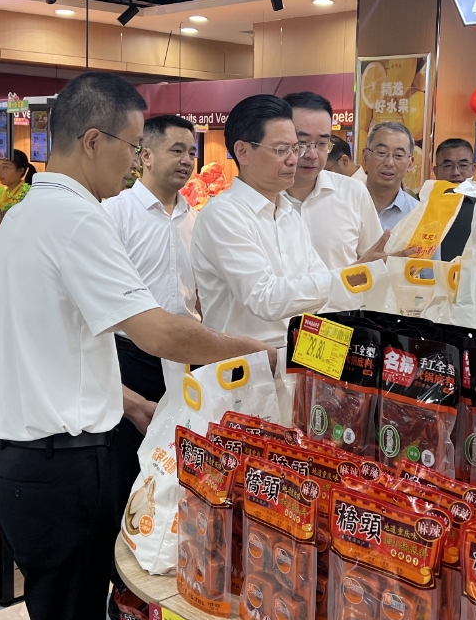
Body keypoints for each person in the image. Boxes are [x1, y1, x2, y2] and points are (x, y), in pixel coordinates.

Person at [0, 73, 272, 620]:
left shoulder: (25, 214)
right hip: (61, 474)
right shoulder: (77, 218)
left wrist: (125, 401)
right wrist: (257, 351)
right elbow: (160, 332)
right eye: (134, 145)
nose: (137, 160)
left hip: (21, 464)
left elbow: (47, 339)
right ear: (93, 140)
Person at [191, 94, 332, 350]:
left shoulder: (289, 213)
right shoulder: (223, 214)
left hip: (293, 355)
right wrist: (345, 279)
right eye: (281, 150)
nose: (294, 159)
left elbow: (320, 283)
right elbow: (264, 298)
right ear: (243, 151)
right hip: (241, 363)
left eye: (295, 148)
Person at [102, 114, 199, 404]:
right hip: (131, 356)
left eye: (192, 153)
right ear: (146, 156)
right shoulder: (113, 214)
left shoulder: (197, 219)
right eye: (177, 150)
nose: (186, 160)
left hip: (187, 355)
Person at [282, 92, 387, 269]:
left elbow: (375, 262)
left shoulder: (354, 193)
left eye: (322, 144)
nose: (312, 154)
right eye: (302, 142)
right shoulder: (263, 198)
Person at [362, 121, 418, 229]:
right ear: (365, 156)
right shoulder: (343, 204)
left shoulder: (417, 215)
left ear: (410, 164)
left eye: (399, 155)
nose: (389, 163)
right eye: (381, 152)